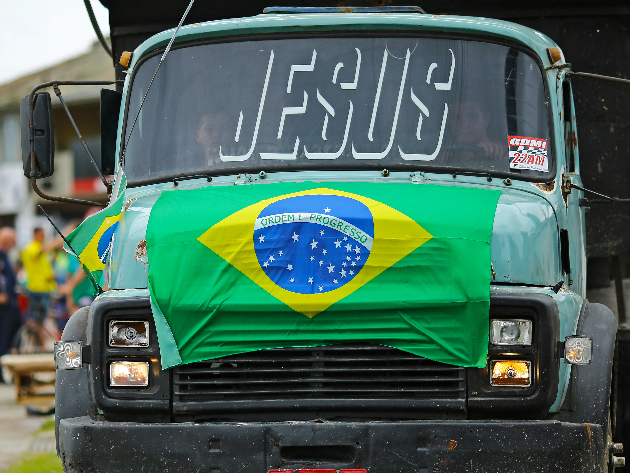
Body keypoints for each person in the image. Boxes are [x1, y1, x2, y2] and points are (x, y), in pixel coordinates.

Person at [21, 228, 57, 333]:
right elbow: (39, 253)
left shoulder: (42, 249)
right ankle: (33, 340)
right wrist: (55, 242)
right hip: (37, 288)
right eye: (42, 235)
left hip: (44, 287)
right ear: (36, 234)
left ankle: (38, 342)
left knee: (41, 319)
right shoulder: (31, 248)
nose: (43, 237)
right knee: (35, 318)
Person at [0, 227, 20, 381]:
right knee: (4, 338)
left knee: (10, 337)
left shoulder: (5, 255)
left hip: (10, 304)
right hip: (4, 305)